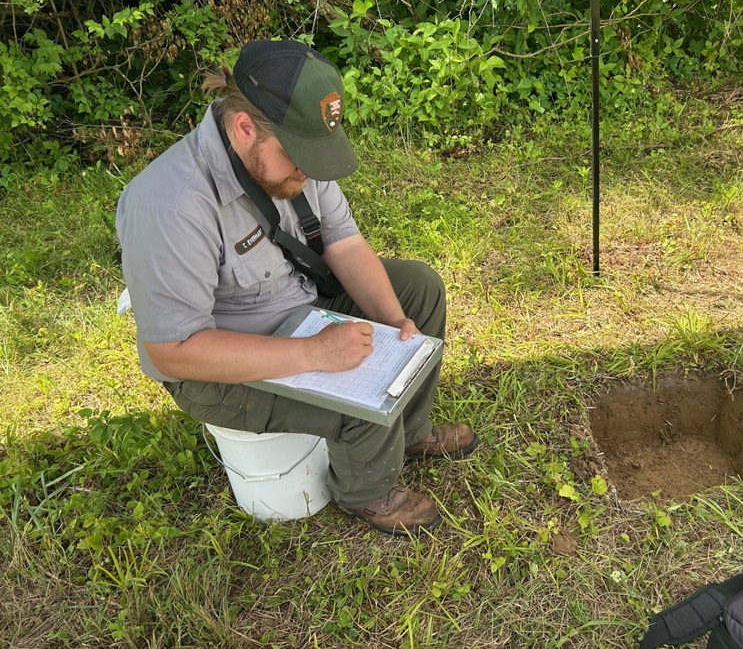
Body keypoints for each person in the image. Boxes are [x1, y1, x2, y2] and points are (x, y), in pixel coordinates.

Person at [116, 39, 476, 536]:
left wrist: (395, 323)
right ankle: (366, 490)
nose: (307, 172)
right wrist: (314, 354)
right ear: (244, 128)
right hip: (220, 367)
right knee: (360, 392)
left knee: (419, 288)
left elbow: (344, 244)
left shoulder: (292, 150)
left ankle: (409, 433)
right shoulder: (168, 205)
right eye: (298, 158)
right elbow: (174, 352)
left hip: (302, 307)